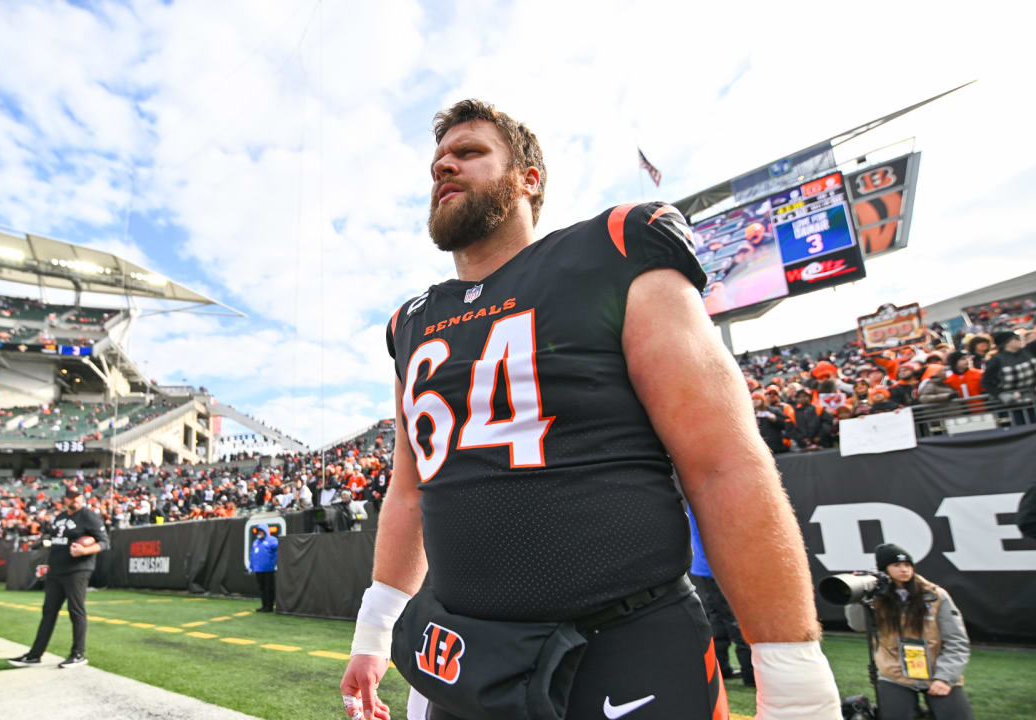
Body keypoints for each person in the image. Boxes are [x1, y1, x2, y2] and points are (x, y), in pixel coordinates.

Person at [341, 100, 839, 720]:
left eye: (469, 152)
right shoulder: (411, 322)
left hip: (622, 645)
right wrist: (375, 630)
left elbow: (723, 464)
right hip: (467, 652)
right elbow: (410, 493)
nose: (444, 165)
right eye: (438, 159)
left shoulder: (613, 250)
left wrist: (794, 679)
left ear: (528, 178)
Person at [845, 544, 975, 720]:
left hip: (936, 671)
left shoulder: (936, 595)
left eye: (907, 564)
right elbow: (857, 625)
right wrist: (858, 595)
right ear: (884, 570)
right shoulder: (877, 598)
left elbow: (957, 641)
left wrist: (944, 678)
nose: (904, 570)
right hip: (894, 674)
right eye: (897, 565)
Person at [10, 488, 109, 669]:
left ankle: (78, 654)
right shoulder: (60, 517)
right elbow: (56, 541)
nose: (76, 500)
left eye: (78, 497)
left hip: (77, 569)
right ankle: (35, 655)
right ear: (65, 499)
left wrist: (85, 550)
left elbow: (104, 542)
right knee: (48, 612)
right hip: (57, 570)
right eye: (72, 497)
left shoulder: (89, 516)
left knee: (76, 610)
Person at [687, 510, 752, 687]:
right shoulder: (708, 498)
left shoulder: (698, 497)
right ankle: (750, 674)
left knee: (718, 617)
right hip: (719, 568)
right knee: (734, 619)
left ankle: (723, 668)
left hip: (706, 567)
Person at [980, 330, 1035, 403]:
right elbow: (986, 382)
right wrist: (1001, 394)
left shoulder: (1028, 351)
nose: (1020, 340)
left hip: (1032, 398)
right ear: (1007, 343)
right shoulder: (997, 360)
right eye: (1017, 338)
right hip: (1013, 404)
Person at [250, 524, 279, 613]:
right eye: (258, 531)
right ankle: (264, 605)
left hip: (268, 569)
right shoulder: (255, 542)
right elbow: (252, 555)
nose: (259, 532)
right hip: (258, 569)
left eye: (261, 531)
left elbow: (278, 549)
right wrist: (251, 566)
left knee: (269, 588)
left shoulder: (272, 540)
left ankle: (269, 606)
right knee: (262, 588)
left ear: (265, 531)